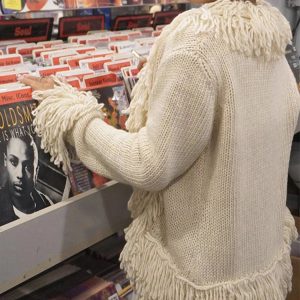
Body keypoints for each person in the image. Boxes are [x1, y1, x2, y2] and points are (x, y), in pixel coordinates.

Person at [20, 0, 300, 298]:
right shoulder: (265, 33)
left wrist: (71, 115)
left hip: (200, 282)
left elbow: (149, 164)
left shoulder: (197, 41)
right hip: (258, 270)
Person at [0, 135, 52, 226]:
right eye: (13, 162)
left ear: (36, 171)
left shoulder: (47, 204)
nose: (20, 174)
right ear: (5, 161)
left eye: (28, 166)